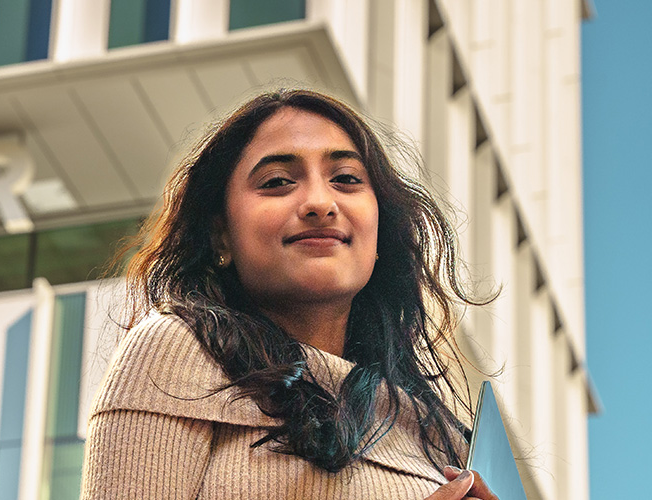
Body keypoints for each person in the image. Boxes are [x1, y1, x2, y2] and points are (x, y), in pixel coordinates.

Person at [81, 89, 501, 499]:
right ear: (220, 235)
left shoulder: (433, 431)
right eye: (278, 182)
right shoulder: (174, 355)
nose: (320, 202)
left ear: (380, 231)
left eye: (346, 179)